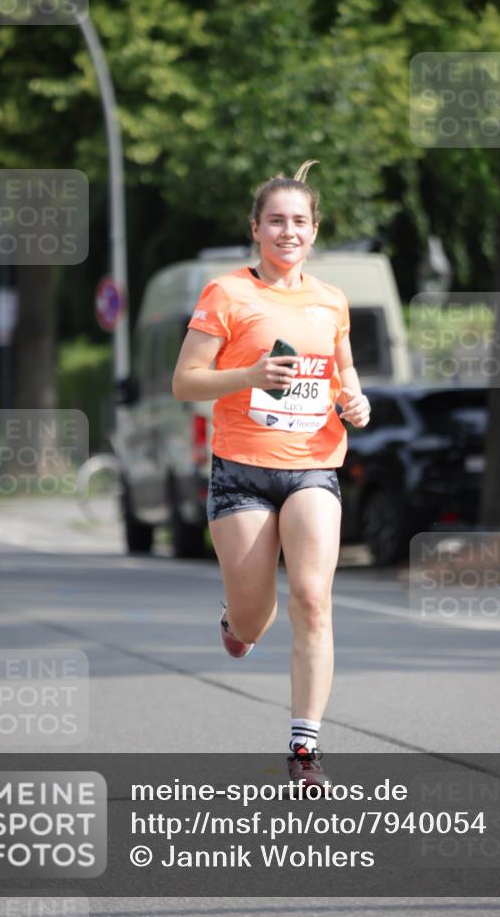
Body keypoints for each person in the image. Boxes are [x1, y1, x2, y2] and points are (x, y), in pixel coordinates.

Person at [172, 161, 370, 787]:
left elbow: (344, 377)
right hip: (242, 473)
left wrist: (354, 403)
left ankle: (305, 747)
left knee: (312, 600)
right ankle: (237, 622)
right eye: (277, 221)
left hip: (315, 465)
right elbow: (185, 382)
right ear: (256, 229)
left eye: (300, 222)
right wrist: (251, 376)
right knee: (257, 618)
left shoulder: (331, 300)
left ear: (314, 232)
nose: (289, 231)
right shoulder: (228, 294)